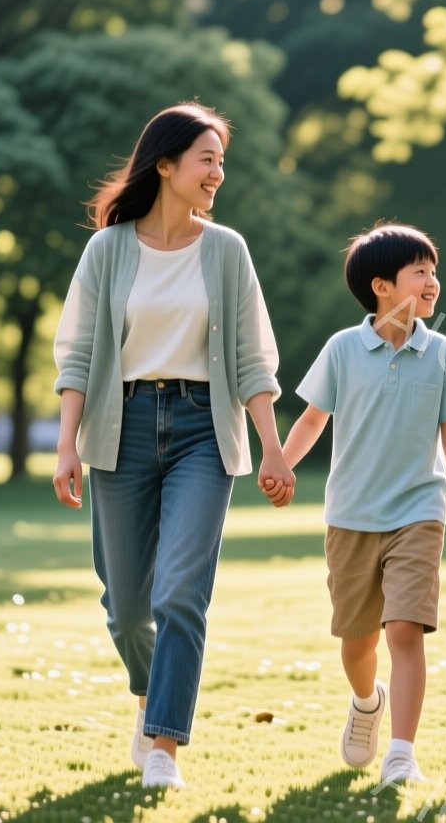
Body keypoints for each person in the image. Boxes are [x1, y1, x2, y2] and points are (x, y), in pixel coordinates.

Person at [51, 102, 295, 790]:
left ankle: (164, 747)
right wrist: (66, 446)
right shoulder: (108, 249)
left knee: (181, 593)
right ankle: (149, 694)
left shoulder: (227, 250)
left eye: (221, 160)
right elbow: (77, 355)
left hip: (201, 430)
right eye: (206, 159)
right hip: (120, 428)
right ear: (165, 164)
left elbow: (253, 359)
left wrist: (272, 448)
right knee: (128, 609)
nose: (219, 173)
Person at [274, 223, 446, 785]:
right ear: (382, 286)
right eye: (420, 271)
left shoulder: (441, 352)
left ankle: (401, 754)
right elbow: (313, 417)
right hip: (350, 515)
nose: (432, 280)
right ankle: (367, 701)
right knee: (356, 643)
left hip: (418, 512)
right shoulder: (343, 349)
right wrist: (282, 464)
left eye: (433, 270)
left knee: (405, 631)